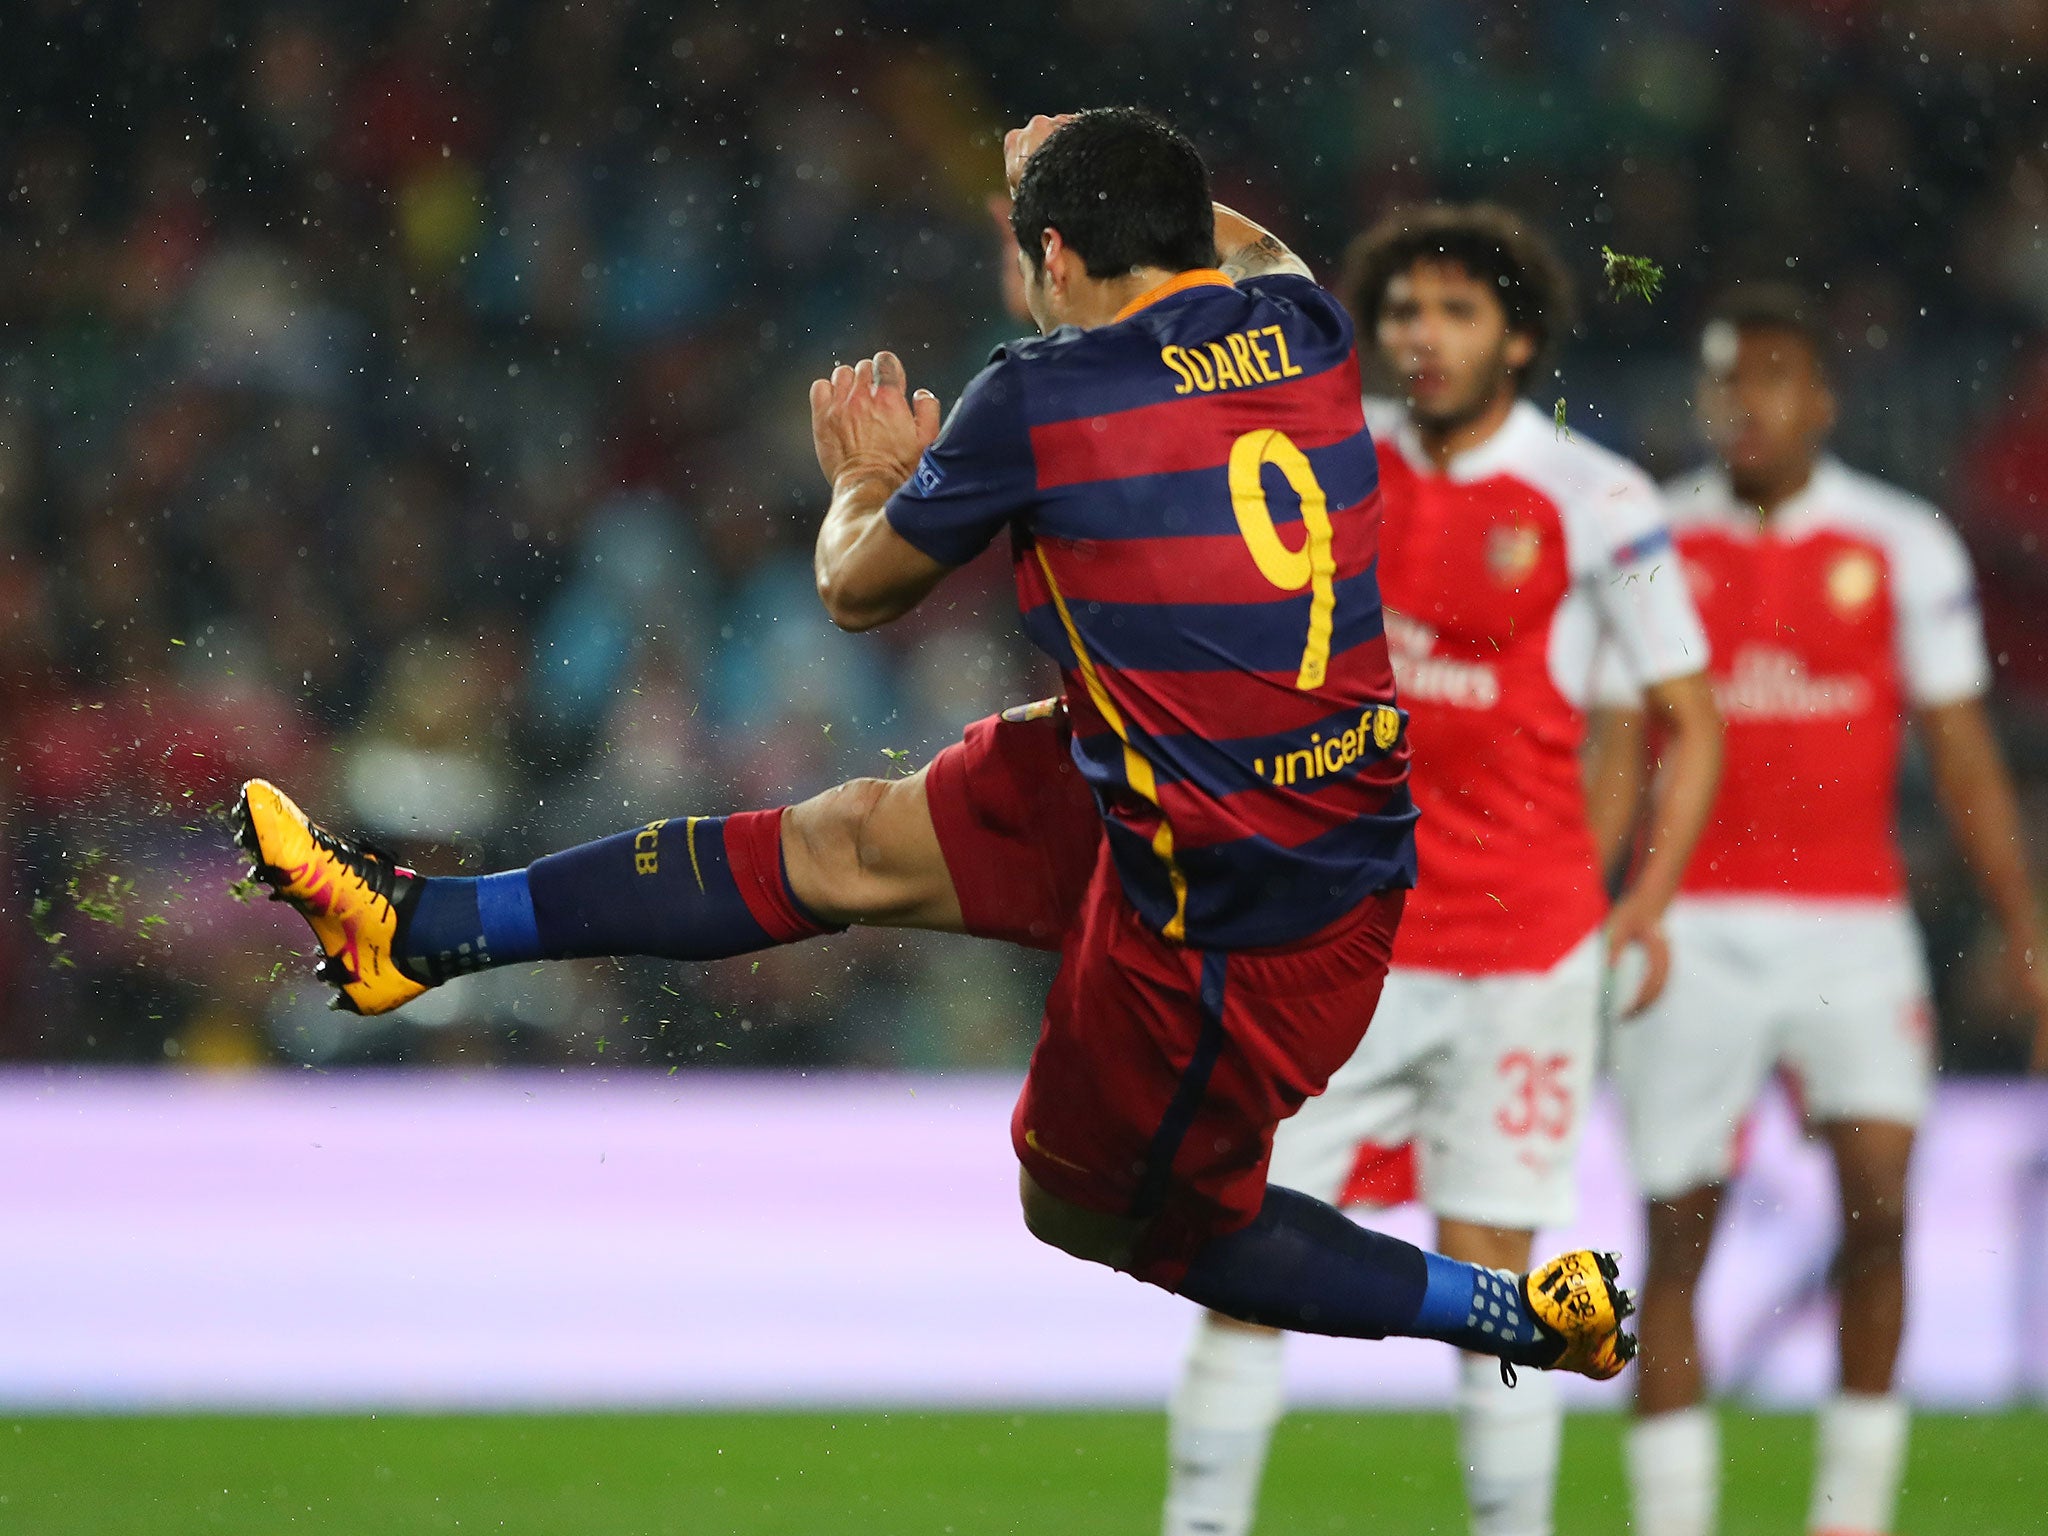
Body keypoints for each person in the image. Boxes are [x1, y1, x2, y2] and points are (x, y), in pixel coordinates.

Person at [234, 110, 1637, 1380]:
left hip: (1241, 921)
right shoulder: (1307, 323)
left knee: (1096, 1212)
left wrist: (862, 477)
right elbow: (1241, 233)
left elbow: (856, 590)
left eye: (1036, 253)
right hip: (1181, 785)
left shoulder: (1046, 394)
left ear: (1064, 253)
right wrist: (1086, 161)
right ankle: (423, 930)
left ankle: (1514, 1312)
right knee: (849, 840)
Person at [1160, 205, 1722, 1536]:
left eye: (1457, 311)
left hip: (1519, 955)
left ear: (1518, 336)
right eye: (1405, 309)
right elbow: (1257, 292)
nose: (1423, 333)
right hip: (1336, 943)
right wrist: (1164, 195)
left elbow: (1687, 718)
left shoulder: (1601, 499)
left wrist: (1637, 905)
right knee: (1244, 1255)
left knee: (1495, 1278)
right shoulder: (1337, 455)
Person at [1609, 285, 2048, 1536]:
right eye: (1721, 381)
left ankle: (1848, 1519)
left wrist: (2022, 926)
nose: (1742, 405)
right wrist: (1589, 904)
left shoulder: (1899, 542)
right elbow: (1606, 745)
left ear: (1820, 397)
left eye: (1769, 378)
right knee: (1675, 1235)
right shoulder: (1650, 543)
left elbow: (1961, 751)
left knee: (1882, 1208)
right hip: (1685, 925)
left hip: (1850, 923)